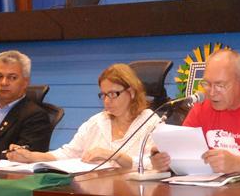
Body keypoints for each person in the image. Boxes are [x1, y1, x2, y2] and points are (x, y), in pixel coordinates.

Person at [150, 49, 240, 177]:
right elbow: (184, 152)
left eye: (220, 85)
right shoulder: (202, 107)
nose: (212, 93)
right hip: (212, 194)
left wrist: (238, 163)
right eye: (206, 84)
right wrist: (165, 162)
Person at [8, 63, 154, 169]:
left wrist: (115, 156)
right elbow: (68, 153)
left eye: (113, 94)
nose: (107, 101)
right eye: (103, 95)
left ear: (132, 92)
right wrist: (31, 156)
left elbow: (154, 163)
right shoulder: (97, 122)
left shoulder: (150, 122)